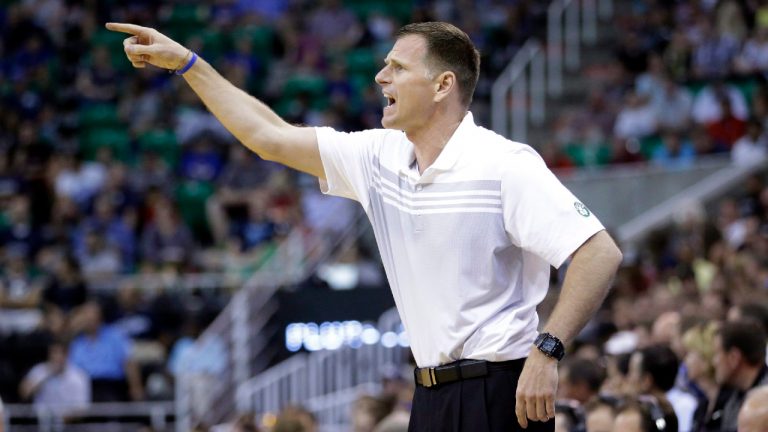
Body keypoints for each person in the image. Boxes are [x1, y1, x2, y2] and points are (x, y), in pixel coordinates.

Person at [106, 20, 623, 431]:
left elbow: (598, 253)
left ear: (443, 85)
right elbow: (268, 135)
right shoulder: (378, 156)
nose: (381, 78)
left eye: (396, 68)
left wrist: (548, 350)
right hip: (428, 394)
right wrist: (191, 65)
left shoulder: (505, 164)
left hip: (500, 389)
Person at [708, 319, 768, 431]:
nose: (714, 362)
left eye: (717, 354)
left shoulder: (765, 402)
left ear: (734, 358)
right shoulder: (731, 396)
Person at [19, 339, 90, 416]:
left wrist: (59, 420)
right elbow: (24, 393)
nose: (55, 357)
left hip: (68, 423)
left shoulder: (78, 376)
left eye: (59, 353)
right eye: (53, 353)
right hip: (39, 421)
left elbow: (82, 409)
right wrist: (46, 375)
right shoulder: (39, 370)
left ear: (66, 355)